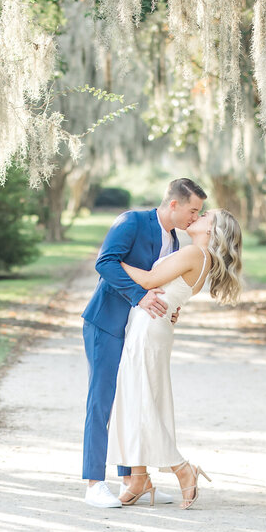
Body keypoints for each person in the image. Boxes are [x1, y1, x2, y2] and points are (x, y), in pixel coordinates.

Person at [80, 178, 207, 508]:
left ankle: (135, 479)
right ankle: (94, 483)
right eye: (193, 210)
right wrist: (141, 297)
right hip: (107, 323)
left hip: (139, 330)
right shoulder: (132, 221)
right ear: (174, 204)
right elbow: (105, 262)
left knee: (130, 399)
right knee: (102, 400)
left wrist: (171, 310)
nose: (196, 217)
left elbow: (166, 285)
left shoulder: (177, 243)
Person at [106, 208, 244, 509]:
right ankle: (139, 477)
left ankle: (183, 469)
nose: (199, 215)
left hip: (150, 327)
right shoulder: (198, 256)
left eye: (205, 214)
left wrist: (112, 261)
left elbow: (148, 280)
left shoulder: (195, 253)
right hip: (154, 326)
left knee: (141, 399)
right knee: (139, 397)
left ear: (211, 230)